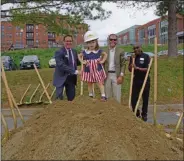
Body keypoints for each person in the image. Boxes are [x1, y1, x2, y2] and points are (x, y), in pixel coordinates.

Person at [78, 31, 107, 101]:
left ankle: (103, 95)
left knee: (99, 82)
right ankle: (90, 95)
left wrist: (102, 61)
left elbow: (105, 54)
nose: (91, 44)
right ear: (87, 44)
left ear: (96, 42)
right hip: (88, 69)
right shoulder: (85, 52)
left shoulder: (98, 51)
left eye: (93, 42)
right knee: (89, 82)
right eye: (89, 42)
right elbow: (79, 55)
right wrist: (82, 61)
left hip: (97, 69)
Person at [53, 35, 80, 101]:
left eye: (70, 41)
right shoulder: (59, 52)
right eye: (67, 41)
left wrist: (85, 58)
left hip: (71, 78)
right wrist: (74, 71)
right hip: (61, 77)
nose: (69, 43)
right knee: (59, 98)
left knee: (71, 98)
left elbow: (77, 62)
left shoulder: (74, 51)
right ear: (63, 42)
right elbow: (61, 65)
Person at [128, 44, 150, 122]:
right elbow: (130, 70)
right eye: (134, 48)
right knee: (133, 98)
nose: (136, 49)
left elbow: (148, 69)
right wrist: (131, 65)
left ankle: (144, 114)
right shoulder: (132, 57)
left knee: (145, 98)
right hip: (136, 79)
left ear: (141, 48)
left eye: (137, 48)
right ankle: (136, 113)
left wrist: (137, 68)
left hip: (145, 79)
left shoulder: (146, 56)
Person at [103, 34, 126, 103]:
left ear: (117, 41)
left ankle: (117, 111)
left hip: (117, 75)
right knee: (107, 95)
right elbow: (101, 64)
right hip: (106, 75)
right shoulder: (104, 51)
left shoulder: (121, 51)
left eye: (114, 40)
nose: (113, 41)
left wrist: (121, 76)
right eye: (111, 39)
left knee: (117, 96)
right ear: (108, 40)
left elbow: (123, 64)